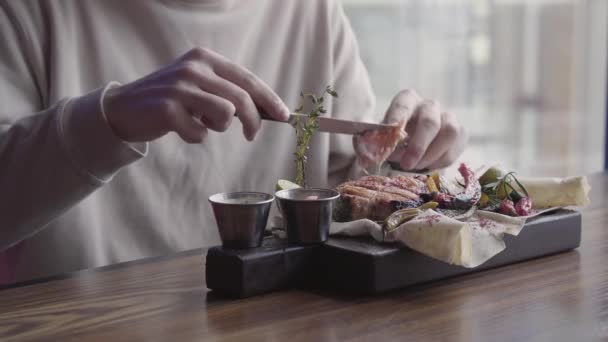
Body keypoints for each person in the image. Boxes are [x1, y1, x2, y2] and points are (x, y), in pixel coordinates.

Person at [0, 0, 467, 284]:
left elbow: (346, 189)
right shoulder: (26, 13)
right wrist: (108, 118)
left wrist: (405, 163)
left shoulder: (311, 12)